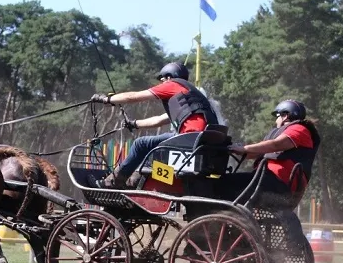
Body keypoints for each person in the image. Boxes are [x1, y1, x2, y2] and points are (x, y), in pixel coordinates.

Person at [90, 61, 219, 188]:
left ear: (169, 77)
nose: (161, 82)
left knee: (141, 144)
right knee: (151, 149)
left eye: (162, 79)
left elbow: (133, 97)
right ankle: (135, 181)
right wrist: (135, 124)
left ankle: (114, 182)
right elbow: (159, 120)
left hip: (189, 141)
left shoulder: (172, 85)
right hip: (199, 142)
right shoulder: (191, 95)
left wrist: (107, 99)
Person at [228, 99, 321, 204]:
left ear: (285, 116)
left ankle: (217, 217)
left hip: (276, 182)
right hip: (269, 179)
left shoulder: (299, 129)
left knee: (221, 183)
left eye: (277, 116)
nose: (276, 120)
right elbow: (255, 153)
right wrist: (234, 149)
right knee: (227, 182)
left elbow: (277, 144)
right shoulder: (284, 132)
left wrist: (244, 148)